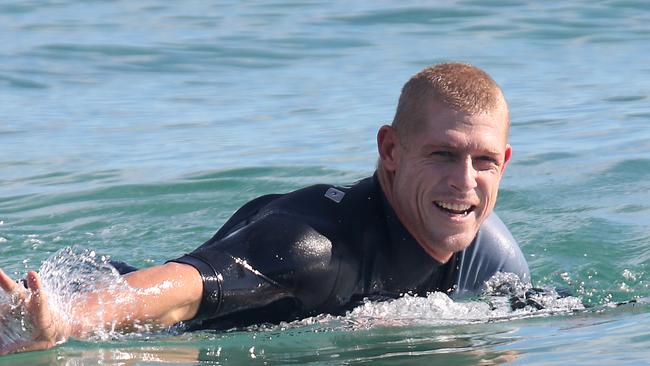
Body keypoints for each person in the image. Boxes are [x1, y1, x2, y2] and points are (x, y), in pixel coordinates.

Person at [0, 62, 529, 354]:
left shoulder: (490, 255)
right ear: (391, 150)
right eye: (442, 154)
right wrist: (64, 323)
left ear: (504, 162)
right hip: (169, 335)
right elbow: (181, 292)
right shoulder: (310, 247)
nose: (466, 183)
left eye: (484, 161)